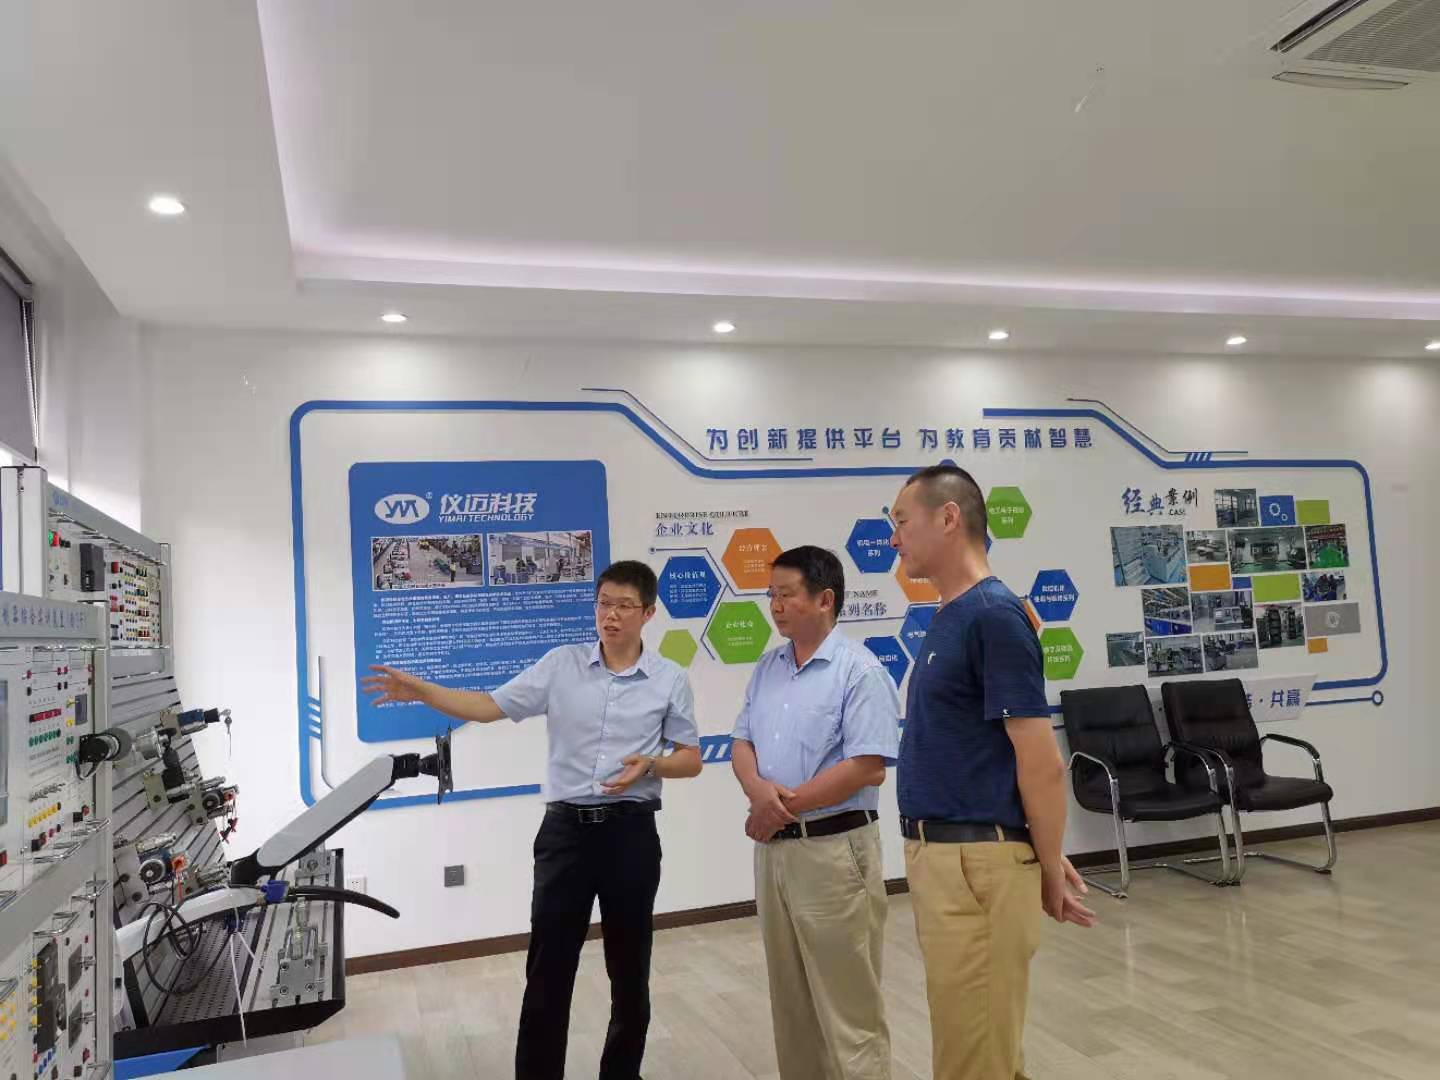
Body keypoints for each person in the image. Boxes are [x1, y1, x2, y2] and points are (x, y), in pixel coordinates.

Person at [361, 559, 701, 1080]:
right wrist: (424, 690)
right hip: (565, 836)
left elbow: (690, 759)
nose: (610, 616)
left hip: (630, 834)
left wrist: (651, 765)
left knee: (630, 969)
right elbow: (489, 706)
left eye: (623, 606)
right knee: (548, 969)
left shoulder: (669, 679)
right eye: (603, 604)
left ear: (648, 613)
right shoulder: (562, 665)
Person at [888, 465, 1096, 1080]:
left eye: (902, 521)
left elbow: (1041, 761)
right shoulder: (951, 614)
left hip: (976, 865)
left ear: (948, 518)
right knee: (979, 1049)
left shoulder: (994, 616)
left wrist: (1047, 864)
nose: (894, 539)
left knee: (974, 1058)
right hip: (947, 860)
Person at [730, 546, 901, 1080]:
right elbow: (741, 742)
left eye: (787, 594)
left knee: (849, 1008)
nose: (775, 606)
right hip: (775, 852)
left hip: (834, 851)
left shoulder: (860, 671)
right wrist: (759, 793)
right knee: (791, 1003)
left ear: (825, 599)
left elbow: (868, 766)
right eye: (771, 595)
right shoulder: (769, 667)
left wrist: (779, 809)